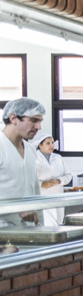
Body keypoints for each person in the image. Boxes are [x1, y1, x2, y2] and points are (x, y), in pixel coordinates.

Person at [0, 97, 45, 226]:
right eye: (33, 120)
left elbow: (35, 191)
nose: (38, 127)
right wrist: (16, 209)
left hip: (27, 230)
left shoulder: (30, 150)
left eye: (40, 121)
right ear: (13, 118)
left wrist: (41, 227)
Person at [33, 133, 72, 226]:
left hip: (58, 196)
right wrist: (42, 184)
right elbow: (28, 179)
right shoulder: (34, 158)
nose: (51, 145)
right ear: (40, 144)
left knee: (58, 223)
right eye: (48, 143)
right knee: (46, 224)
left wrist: (59, 181)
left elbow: (68, 175)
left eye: (52, 143)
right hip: (42, 196)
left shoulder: (58, 158)